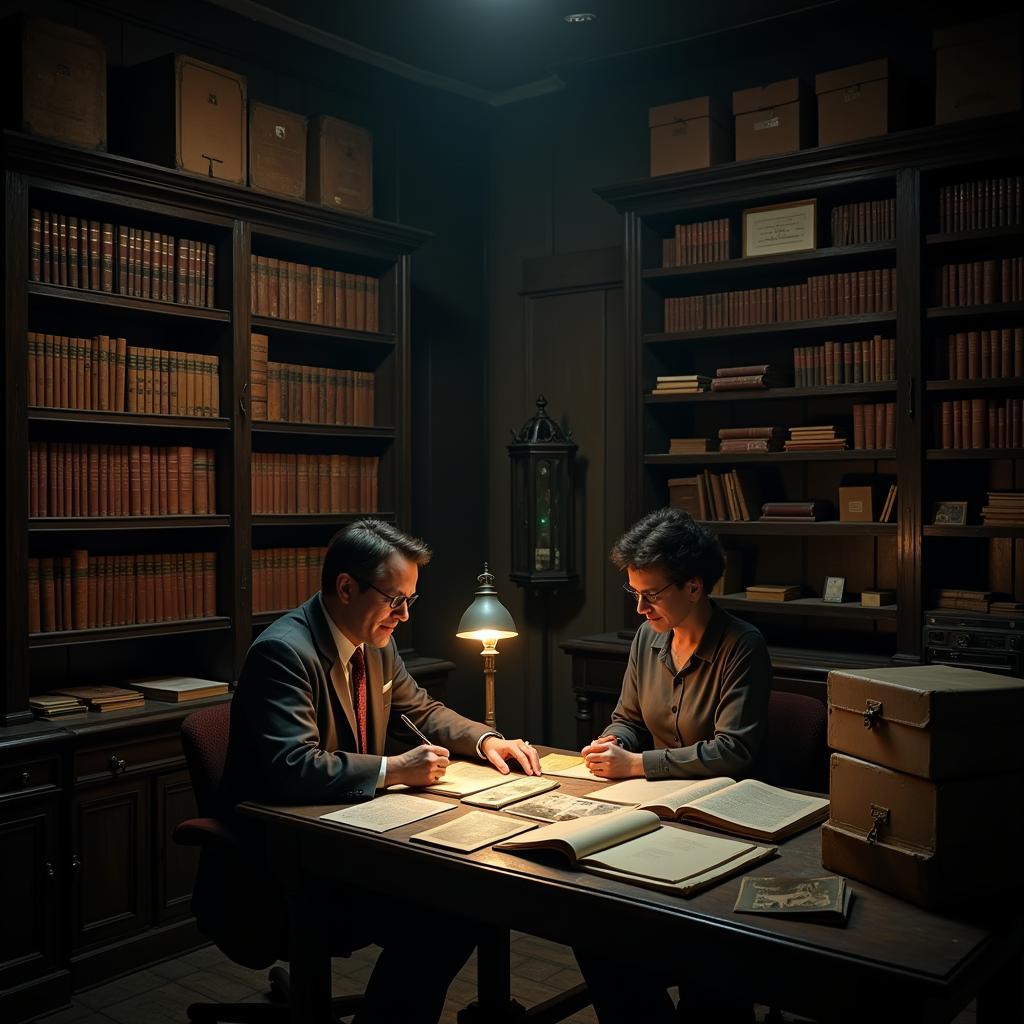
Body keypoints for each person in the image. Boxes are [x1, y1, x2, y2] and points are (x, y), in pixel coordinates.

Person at [222, 518, 541, 1024]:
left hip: (350, 838)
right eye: (396, 600)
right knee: (448, 914)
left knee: (470, 896)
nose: (406, 615)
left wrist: (487, 739)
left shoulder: (374, 640)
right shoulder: (284, 652)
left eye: (409, 600)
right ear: (346, 587)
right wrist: (395, 768)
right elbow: (291, 766)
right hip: (285, 862)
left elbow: (421, 710)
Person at [575, 506, 771, 1024]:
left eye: (651, 594)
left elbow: (734, 751)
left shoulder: (742, 646)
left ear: (694, 586)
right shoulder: (648, 638)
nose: (639, 608)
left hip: (721, 822)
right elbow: (627, 718)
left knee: (705, 953)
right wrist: (611, 741)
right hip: (652, 813)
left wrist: (636, 763)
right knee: (592, 926)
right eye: (633, 592)